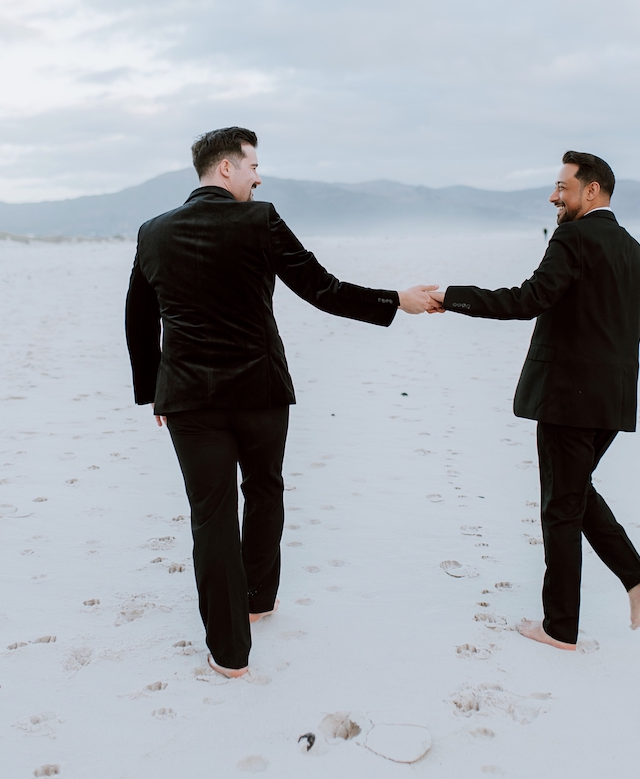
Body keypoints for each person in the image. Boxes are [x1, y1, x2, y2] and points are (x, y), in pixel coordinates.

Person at [125, 127, 439, 677]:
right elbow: (322, 289)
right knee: (264, 488)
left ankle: (228, 653)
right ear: (226, 168)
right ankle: (258, 600)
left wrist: (155, 392)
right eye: (251, 166)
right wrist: (398, 300)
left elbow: (138, 322)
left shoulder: (152, 233)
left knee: (211, 515)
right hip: (261, 391)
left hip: (190, 399)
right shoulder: (260, 219)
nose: (258, 176)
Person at [430, 151, 640, 651]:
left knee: (560, 507)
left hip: (567, 400)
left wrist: (451, 295)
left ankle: (560, 628)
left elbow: (526, 300)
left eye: (563, 187)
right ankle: (637, 581)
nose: (554, 196)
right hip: (612, 402)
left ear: (591, 190)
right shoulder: (637, 252)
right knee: (574, 494)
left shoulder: (573, 237)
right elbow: (628, 330)